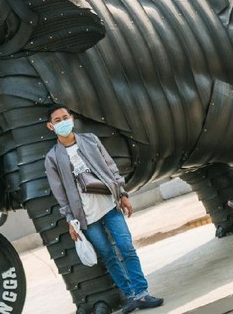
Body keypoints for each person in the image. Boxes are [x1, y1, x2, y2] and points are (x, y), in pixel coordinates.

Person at [44, 104, 163, 314]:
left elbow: (111, 168)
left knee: (126, 247)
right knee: (108, 255)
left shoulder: (90, 140)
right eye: (57, 120)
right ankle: (131, 296)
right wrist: (70, 219)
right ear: (51, 126)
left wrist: (123, 194)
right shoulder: (52, 158)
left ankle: (142, 293)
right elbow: (59, 194)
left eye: (65, 117)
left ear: (72, 118)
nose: (63, 122)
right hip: (86, 217)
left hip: (109, 205)